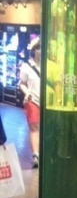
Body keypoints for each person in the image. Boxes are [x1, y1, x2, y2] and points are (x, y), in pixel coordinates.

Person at [19, 38, 41, 168]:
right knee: (34, 128)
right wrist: (27, 93)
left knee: (44, 129)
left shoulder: (48, 65)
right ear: (34, 50)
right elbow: (22, 83)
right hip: (32, 101)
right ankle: (35, 154)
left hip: (47, 102)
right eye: (38, 48)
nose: (41, 51)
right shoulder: (26, 66)